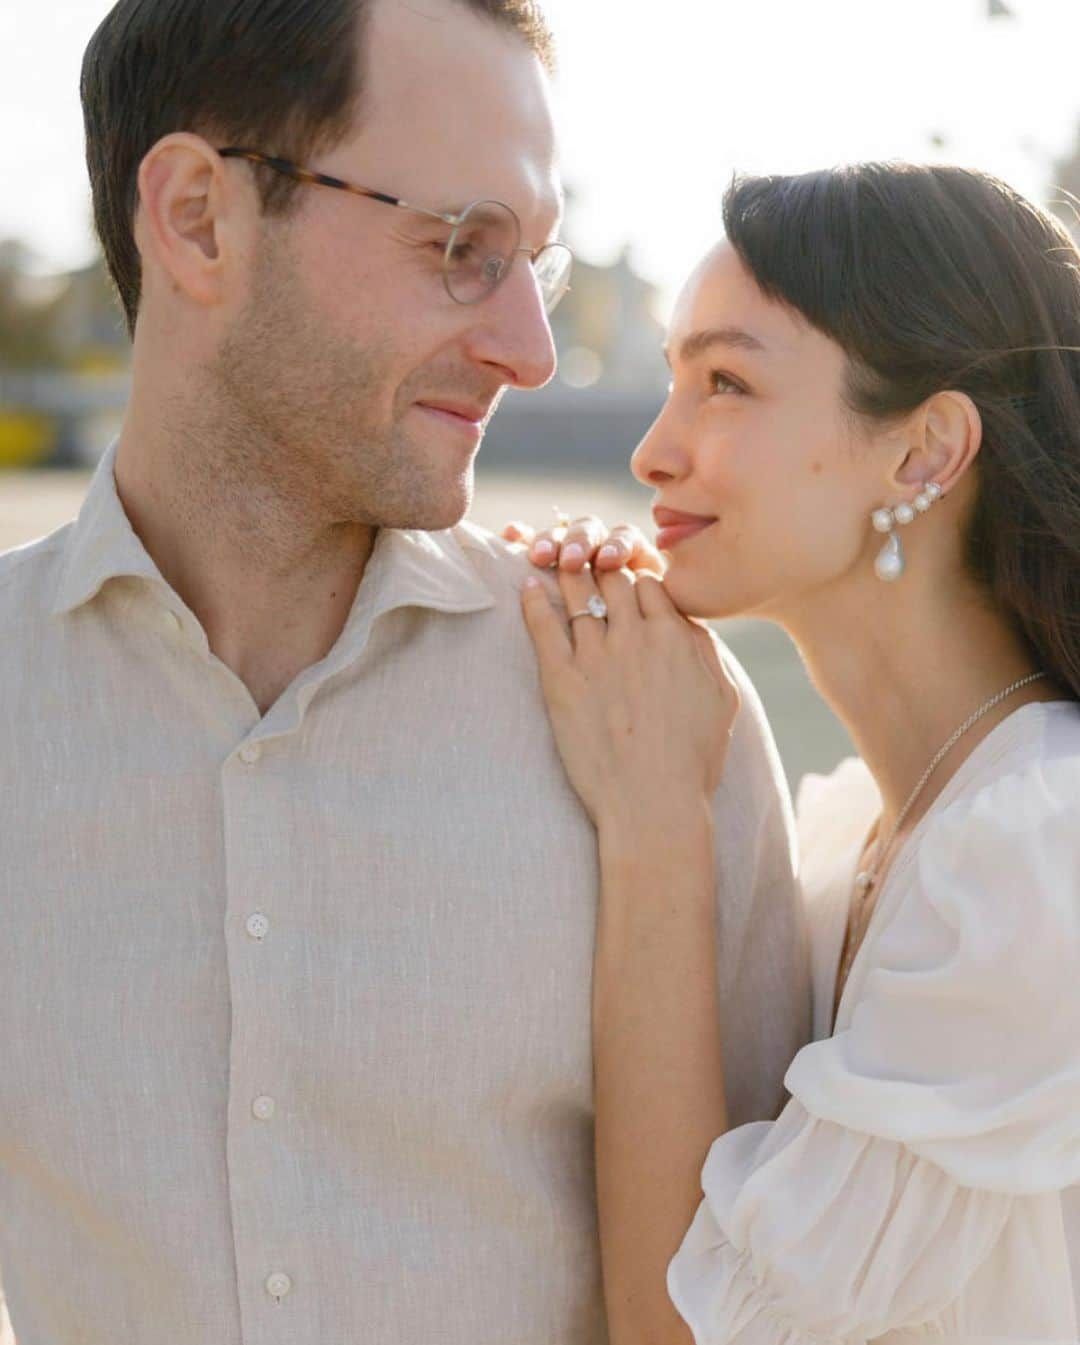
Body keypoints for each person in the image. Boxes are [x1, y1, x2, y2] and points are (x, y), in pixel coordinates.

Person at [0, 2, 811, 1342]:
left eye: (531, 265)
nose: (531, 352)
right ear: (199, 218)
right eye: (459, 248)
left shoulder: (659, 711)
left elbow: (766, 1301)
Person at [510, 162, 1080, 1343]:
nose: (654, 453)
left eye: (725, 382)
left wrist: (656, 818)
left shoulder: (1037, 857)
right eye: (674, 382)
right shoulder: (854, 846)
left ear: (924, 452)